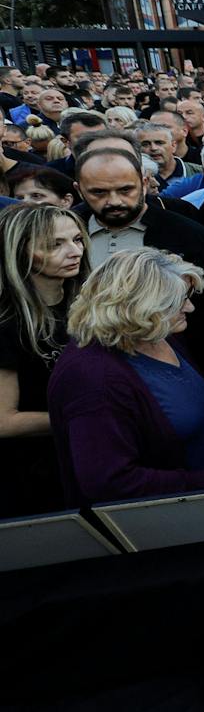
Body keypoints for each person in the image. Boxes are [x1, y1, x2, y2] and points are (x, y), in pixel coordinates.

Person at [49, 248, 204, 505]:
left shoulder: (160, 334)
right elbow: (110, 482)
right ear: (140, 307)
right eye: (178, 301)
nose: (190, 307)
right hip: (158, 527)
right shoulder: (93, 377)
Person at [0, 204, 88, 518]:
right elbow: (5, 422)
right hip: (31, 474)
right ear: (20, 251)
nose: (74, 250)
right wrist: (92, 420)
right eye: (55, 245)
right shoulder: (7, 325)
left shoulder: (88, 308)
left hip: (84, 458)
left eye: (77, 240)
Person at [73, 148, 204, 280]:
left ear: (145, 184)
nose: (114, 201)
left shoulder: (190, 236)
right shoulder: (60, 233)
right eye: (99, 192)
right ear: (79, 190)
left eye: (125, 190)